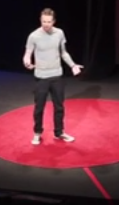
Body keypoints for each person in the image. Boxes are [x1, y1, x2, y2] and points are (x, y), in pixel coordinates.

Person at [23, 8, 83, 145]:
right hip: (41, 77)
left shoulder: (59, 33)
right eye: (44, 21)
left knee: (59, 107)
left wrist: (73, 65)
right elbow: (27, 53)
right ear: (40, 20)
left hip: (57, 76)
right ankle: (37, 133)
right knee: (39, 108)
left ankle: (59, 132)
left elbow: (63, 53)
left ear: (54, 21)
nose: (46, 24)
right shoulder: (33, 36)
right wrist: (27, 61)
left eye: (49, 22)